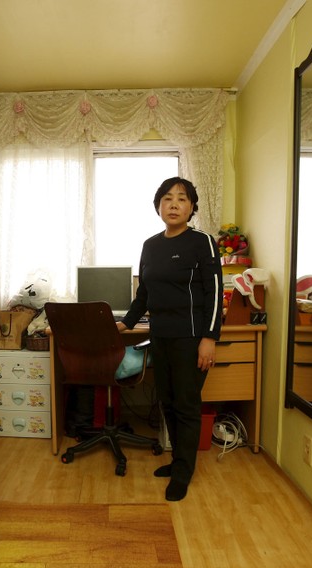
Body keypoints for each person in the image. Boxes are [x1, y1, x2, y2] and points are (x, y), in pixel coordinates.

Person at [117, 177, 223, 502]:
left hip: (191, 338)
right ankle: (179, 461)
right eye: (167, 198)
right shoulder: (150, 245)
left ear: (191, 207)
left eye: (182, 198)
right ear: (158, 206)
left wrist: (209, 338)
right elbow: (144, 293)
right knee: (167, 402)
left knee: (186, 405)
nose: (174, 204)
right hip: (160, 336)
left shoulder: (202, 242)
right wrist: (127, 323)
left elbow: (215, 292)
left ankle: (183, 472)